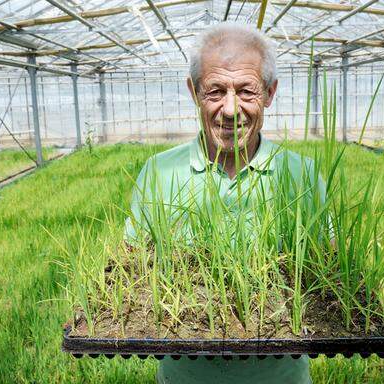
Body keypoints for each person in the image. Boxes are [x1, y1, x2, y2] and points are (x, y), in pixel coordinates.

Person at [125, 22, 317, 384]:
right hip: (185, 375)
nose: (231, 110)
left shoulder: (301, 175)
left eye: (247, 91)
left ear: (270, 93)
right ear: (194, 92)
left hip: (280, 375)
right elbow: (129, 270)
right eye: (216, 91)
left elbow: (329, 273)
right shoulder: (159, 172)